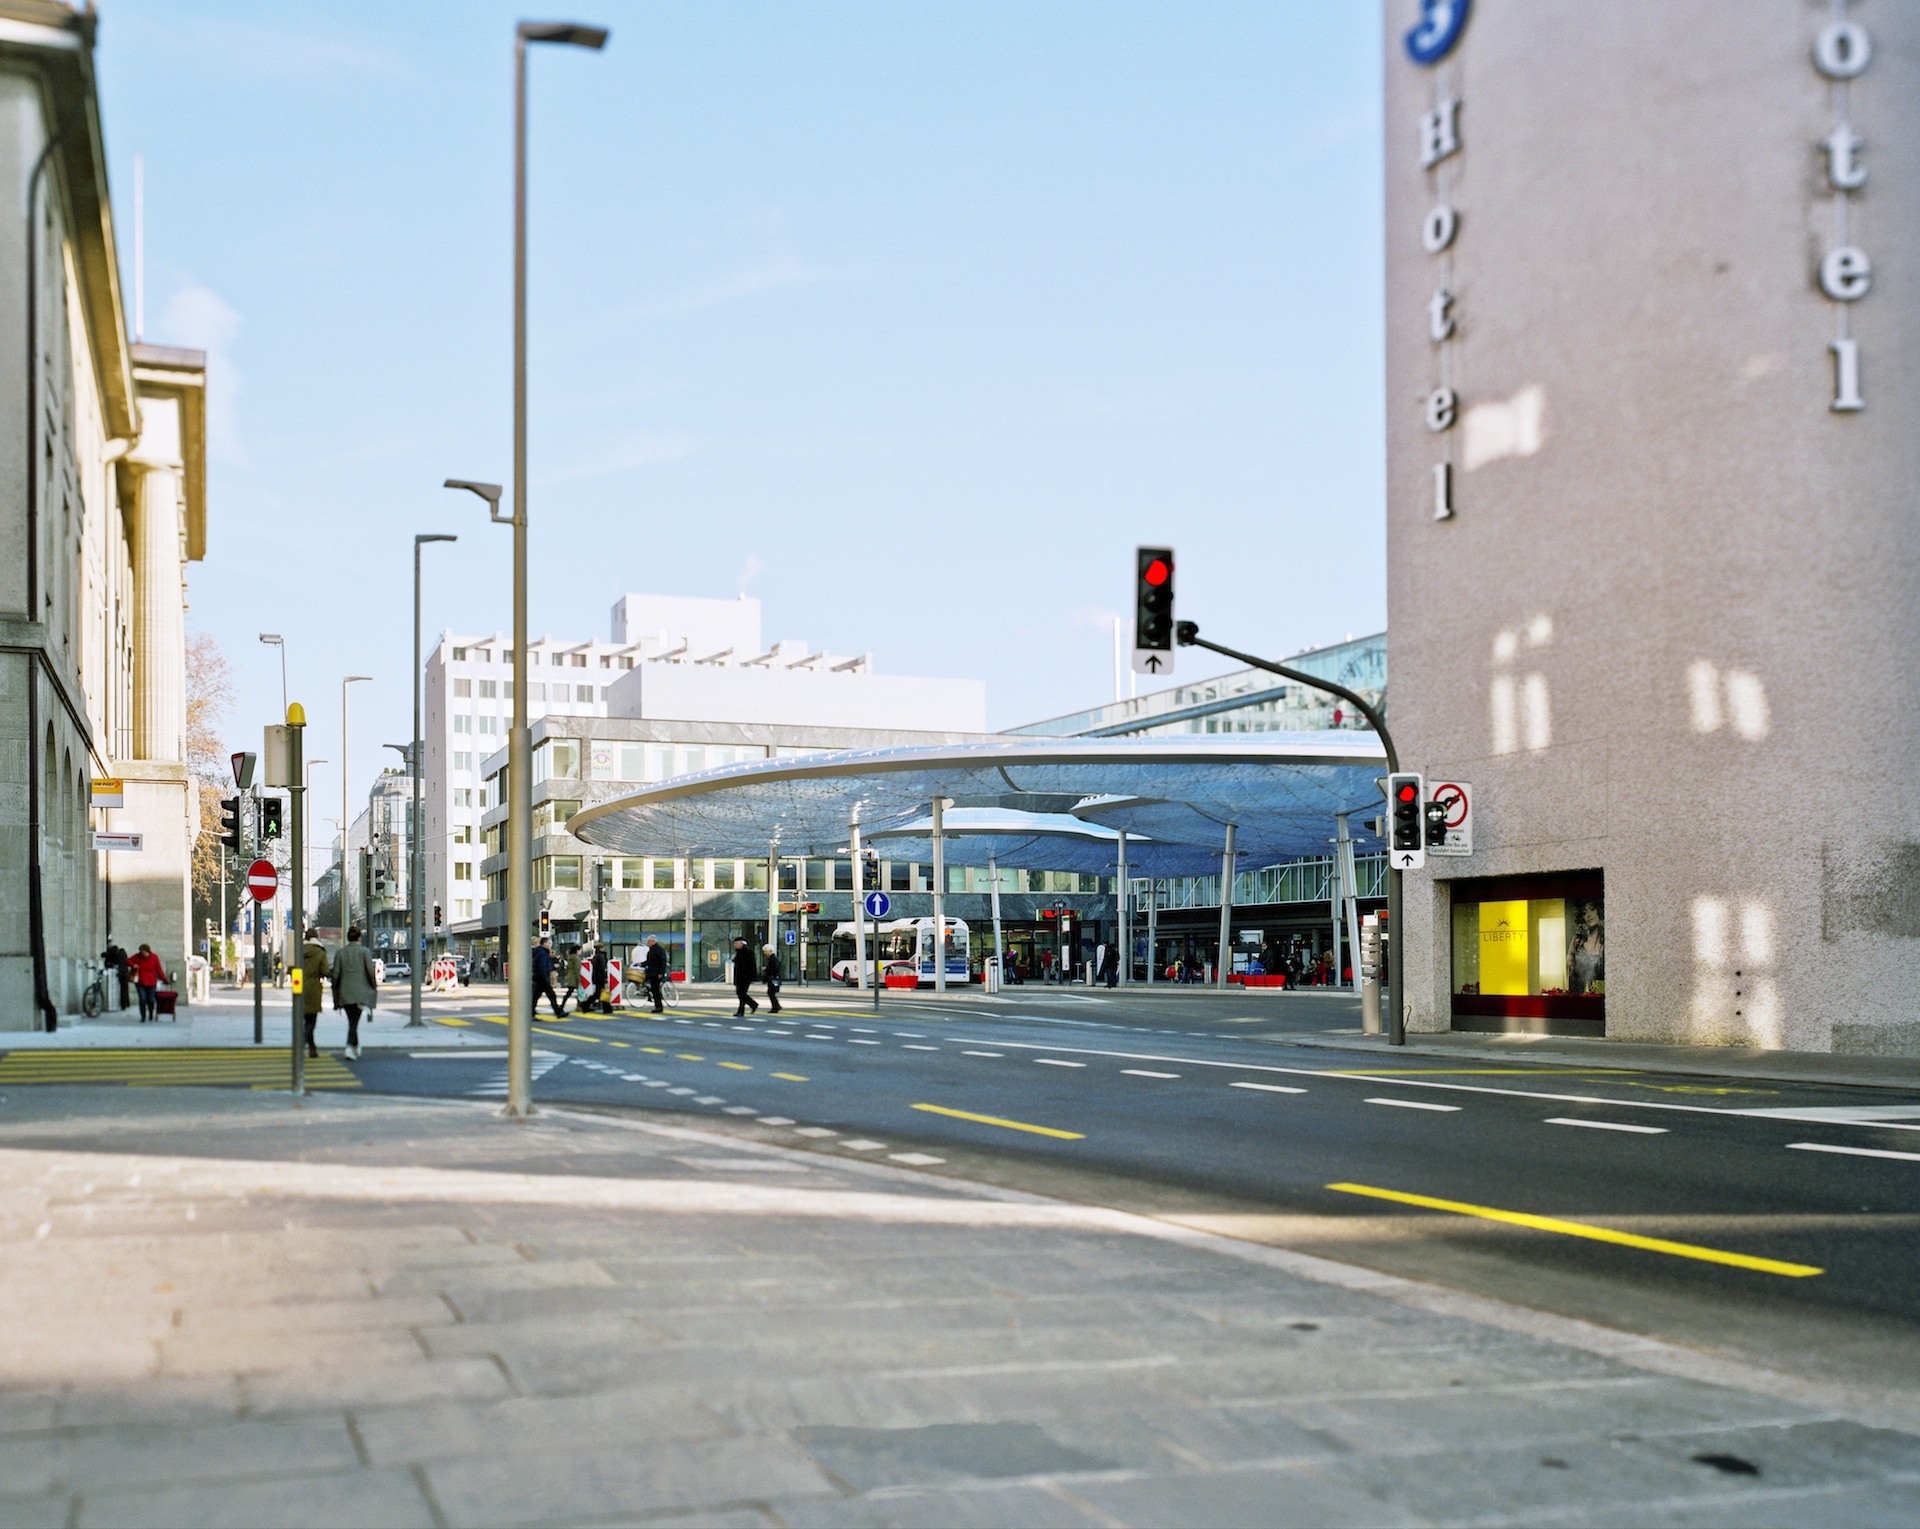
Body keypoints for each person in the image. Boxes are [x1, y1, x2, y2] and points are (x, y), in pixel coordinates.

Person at [328, 926, 379, 1060]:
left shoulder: (340, 953)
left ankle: (355, 1046)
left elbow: (336, 974)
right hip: (361, 993)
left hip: (345, 993)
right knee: (354, 1022)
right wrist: (374, 986)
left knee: (352, 1021)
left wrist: (335, 990)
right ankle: (349, 1047)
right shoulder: (365, 952)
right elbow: (370, 971)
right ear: (359, 938)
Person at [300, 929, 329, 1058]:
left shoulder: (298, 950)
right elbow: (325, 970)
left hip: (299, 986)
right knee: (312, 1020)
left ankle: (312, 1047)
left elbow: (291, 968)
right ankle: (304, 1042)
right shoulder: (320, 952)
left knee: (305, 1019)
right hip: (314, 988)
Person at [129, 942, 164, 1021]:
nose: (142, 954)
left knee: (151, 999)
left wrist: (164, 979)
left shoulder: (154, 957)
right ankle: (143, 1016)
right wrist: (133, 965)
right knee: (142, 999)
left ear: (147, 951)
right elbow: (128, 961)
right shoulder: (138, 956)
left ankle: (151, 1013)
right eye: (141, 952)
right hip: (140, 982)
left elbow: (159, 970)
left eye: (143, 952)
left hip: (151, 982)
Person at [530, 936, 563, 1019]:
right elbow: (542, 966)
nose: (550, 945)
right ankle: (558, 1012)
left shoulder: (541, 952)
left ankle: (531, 1012)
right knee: (551, 995)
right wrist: (545, 976)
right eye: (549, 943)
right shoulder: (542, 953)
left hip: (540, 977)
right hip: (542, 977)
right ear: (544, 943)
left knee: (536, 996)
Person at [730, 937, 759, 1016]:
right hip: (740, 977)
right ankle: (753, 1005)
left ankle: (742, 1010)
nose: (735, 945)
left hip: (745, 977)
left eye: (736, 943)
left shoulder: (747, 952)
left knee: (741, 993)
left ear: (741, 944)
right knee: (740, 993)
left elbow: (749, 965)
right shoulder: (739, 952)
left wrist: (753, 977)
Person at [642, 936, 668, 1012]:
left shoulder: (659, 950)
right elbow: (649, 961)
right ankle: (657, 1006)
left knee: (656, 990)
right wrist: (642, 964)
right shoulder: (651, 950)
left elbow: (663, 962)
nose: (647, 943)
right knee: (654, 990)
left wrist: (661, 973)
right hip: (652, 973)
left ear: (653, 941)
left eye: (648, 942)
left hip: (656, 974)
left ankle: (659, 1007)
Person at [761, 943, 783, 1014]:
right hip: (773, 979)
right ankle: (776, 1006)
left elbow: (774, 969)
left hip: (773, 979)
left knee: (771, 993)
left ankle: (775, 1007)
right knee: (771, 993)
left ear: (770, 951)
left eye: (765, 951)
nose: (765, 953)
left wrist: (766, 969)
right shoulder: (772, 959)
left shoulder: (773, 959)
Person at [589, 942, 610, 1014]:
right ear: (601, 948)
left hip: (597, 977)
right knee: (601, 992)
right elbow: (603, 968)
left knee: (598, 993)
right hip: (600, 977)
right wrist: (605, 977)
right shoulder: (601, 956)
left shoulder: (596, 956)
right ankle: (607, 1008)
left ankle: (606, 1008)